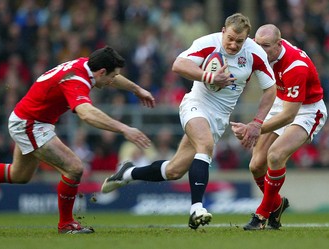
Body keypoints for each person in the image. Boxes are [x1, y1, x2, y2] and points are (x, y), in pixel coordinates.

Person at [101, 13, 277, 229]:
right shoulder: (208, 42)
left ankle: (127, 173)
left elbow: (270, 90)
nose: (232, 44)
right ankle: (196, 208)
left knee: (174, 170)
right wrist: (209, 77)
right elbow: (178, 64)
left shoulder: (255, 53)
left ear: (247, 38)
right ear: (223, 31)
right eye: (229, 38)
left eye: (239, 41)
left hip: (219, 118)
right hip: (195, 104)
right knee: (205, 146)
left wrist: (257, 123)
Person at [0, 46, 156, 234]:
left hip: (30, 119)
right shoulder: (76, 80)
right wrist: (124, 128)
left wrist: (136, 89)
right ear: (101, 72)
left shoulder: (87, 64)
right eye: (111, 76)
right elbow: (86, 114)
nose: (112, 81)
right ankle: (66, 224)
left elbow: (113, 78)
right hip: (30, 124)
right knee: (74, 167)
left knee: (19, 175)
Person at [231, 24, 328, 230]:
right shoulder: (256, 51)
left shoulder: (295, 66)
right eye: (258, 44)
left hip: (307, 110)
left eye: (266, 46)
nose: (260, 49)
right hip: (281, 101)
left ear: (279, 44)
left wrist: (254, 127)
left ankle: (261, 215)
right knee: (256, 165)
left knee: (275, 155)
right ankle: (276, 205)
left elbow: (289, 116)